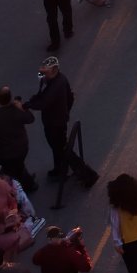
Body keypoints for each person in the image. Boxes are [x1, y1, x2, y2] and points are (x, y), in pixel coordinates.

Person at [26, 58, 97, 189]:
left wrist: (27, 105)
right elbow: (69, 97)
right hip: (58, 120)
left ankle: (87, 175)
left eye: (44, 72)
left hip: (54, 123)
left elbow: (43, 103)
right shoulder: (57, 79)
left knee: (63, 149)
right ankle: (59, 169)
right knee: (58, 147)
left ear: (54, 70)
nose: (41, 75)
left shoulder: (56, 85)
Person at [0, 86, 38, 192]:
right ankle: (29, 184)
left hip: (4, 153)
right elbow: (30, 119)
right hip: (21, 149)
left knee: (10, 171)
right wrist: (22, 108)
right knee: (18, 166)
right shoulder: (16, 111)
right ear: (10, 98)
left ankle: (16, 190)